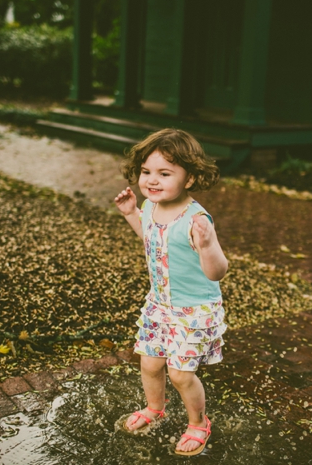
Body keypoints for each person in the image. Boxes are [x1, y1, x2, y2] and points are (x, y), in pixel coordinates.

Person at [114, 128, 228, 456]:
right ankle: (155, 408)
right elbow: (150, 239)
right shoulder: (150, 206)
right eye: (146, 172)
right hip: (159, 305)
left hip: (195, 309)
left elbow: (217, 271)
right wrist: (131, 214)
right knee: (149, 364)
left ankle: (198, 423)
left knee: (180, 374)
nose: (152, 180)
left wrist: (206, 244)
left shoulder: (196, 219)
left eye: (164, 174)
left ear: (189, 178)